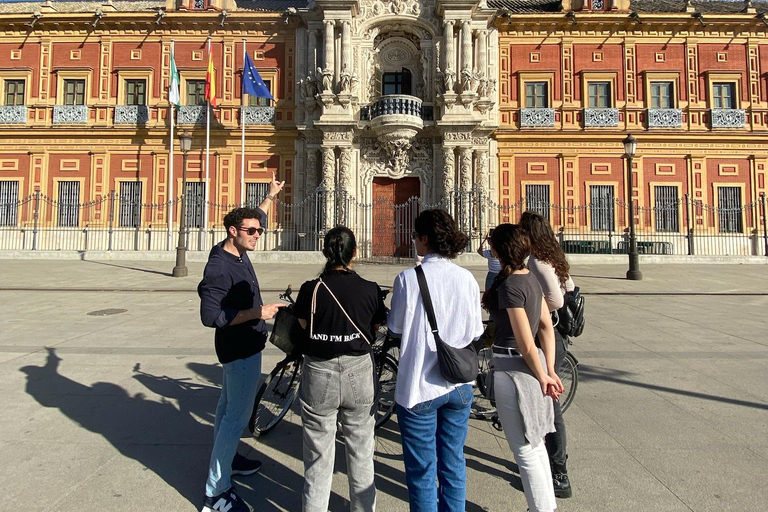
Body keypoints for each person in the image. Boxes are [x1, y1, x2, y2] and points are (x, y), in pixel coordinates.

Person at [198, 174, 285, 512]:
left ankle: (229, 459)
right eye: (252, 231)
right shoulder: (220, 267)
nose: (258, 234)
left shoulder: (234, 247)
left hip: (243, 346)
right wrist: (257, 313)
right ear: (233, 231)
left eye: (259, 231)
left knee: (225, 408)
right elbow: (211, 316)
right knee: (237, 415)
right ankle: (216, 493)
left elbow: (257, 217)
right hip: (239, 348)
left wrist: (270, 196)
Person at [388, 209, 484, 512]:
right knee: (454, 461)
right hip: (459, 385)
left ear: (425, 239)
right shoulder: (467, 278)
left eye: (416, 236)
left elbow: (396, 328)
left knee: (421, 470)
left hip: (419, 387)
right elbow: (476, 331)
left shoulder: (407, 279)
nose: (414, 240)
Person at [292, 226, 387, 512]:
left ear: (325, 252)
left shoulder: (312, 289)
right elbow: (376, 326)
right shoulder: (369, 289)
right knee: (361, 451)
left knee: (318, 455)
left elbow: (302, 328)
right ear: (355, 252)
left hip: (320, 372)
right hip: (359, 371)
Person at [482, 223, 563, 512]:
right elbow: (546, 327)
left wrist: (543, 376)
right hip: (534, 367)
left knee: (524, 450)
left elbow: (525, 342)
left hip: (513, 371)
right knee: (537, 441)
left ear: (501, 249)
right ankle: (545, 505)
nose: (489, 247)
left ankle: (542, 509)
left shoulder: (512, 286)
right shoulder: (529, 278)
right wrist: (549, 368)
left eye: (492, 243)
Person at [520, 211, 575, 498]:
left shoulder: (538, 262)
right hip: (554, 334)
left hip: (548, 338)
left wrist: (534, 306)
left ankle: (559, 471)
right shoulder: (552, 255)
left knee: (550, 405)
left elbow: (557, 299)